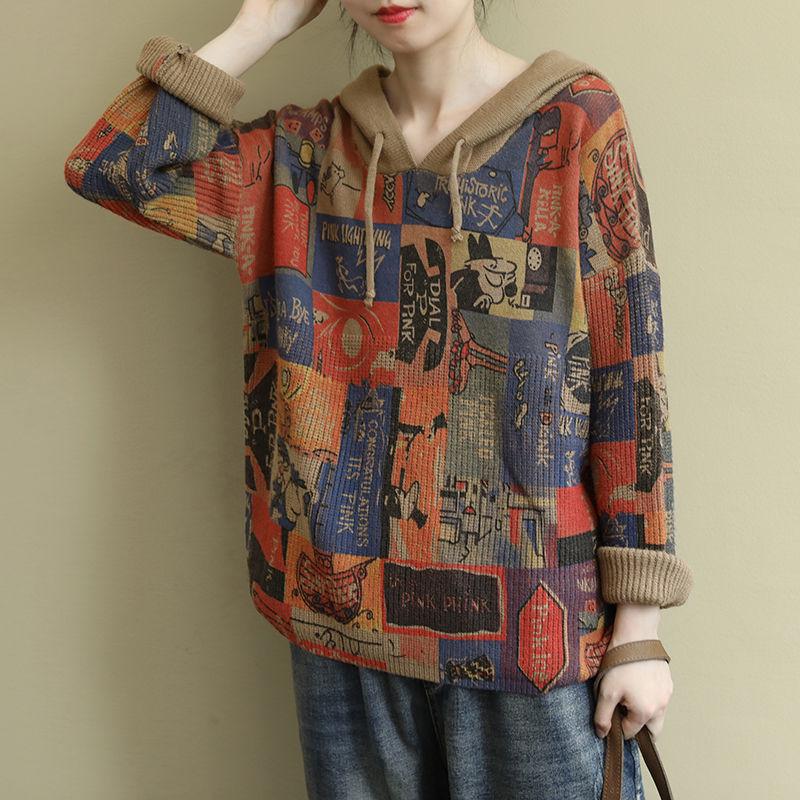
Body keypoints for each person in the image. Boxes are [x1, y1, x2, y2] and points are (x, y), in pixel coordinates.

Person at [64, 1, 694, 797]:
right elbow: (112, 166)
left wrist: (639, 627)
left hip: (533, 632)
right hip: (341, 624)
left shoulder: (575, 122)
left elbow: (629, 371)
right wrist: (260, 24)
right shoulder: (301, 152)